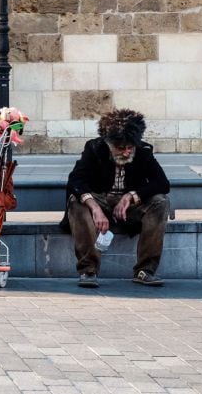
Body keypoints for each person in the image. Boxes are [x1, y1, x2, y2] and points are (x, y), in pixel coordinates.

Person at [60, 109, 170, 288]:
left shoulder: (142, 151)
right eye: (120, 147)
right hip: (100, 200)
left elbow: (162, 183)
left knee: (160, 201)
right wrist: (95, 208)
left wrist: (131, 196)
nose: (126, 152)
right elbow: (76, 180)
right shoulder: (94, 148)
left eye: (129, 147)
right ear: (109, 143)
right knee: (76, 202)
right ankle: (89, 270)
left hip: (129, 208)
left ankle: (145, 270)